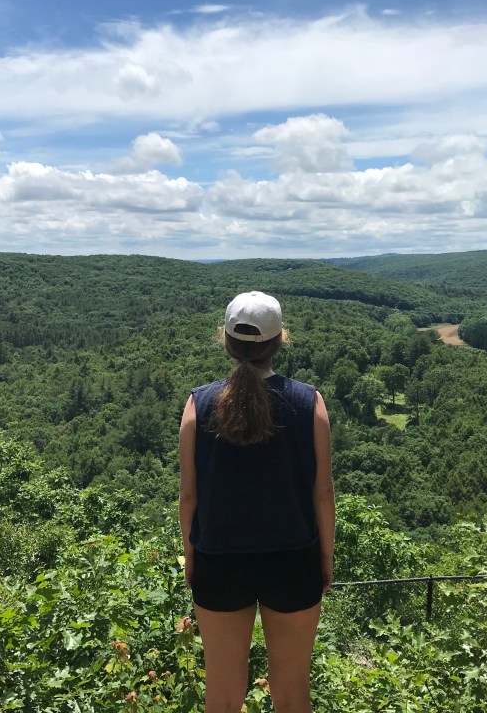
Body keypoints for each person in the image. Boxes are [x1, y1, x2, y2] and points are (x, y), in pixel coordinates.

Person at [178, 291, 335, 713]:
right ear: (281, 340)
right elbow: (322, 492)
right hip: (293, 559)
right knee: (292, 693)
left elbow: (189, 494)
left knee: (224, 696)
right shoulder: (310, 402)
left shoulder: (198, 404)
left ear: (226, 341)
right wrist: (325, 556)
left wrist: (191, 556)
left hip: (220, 560)